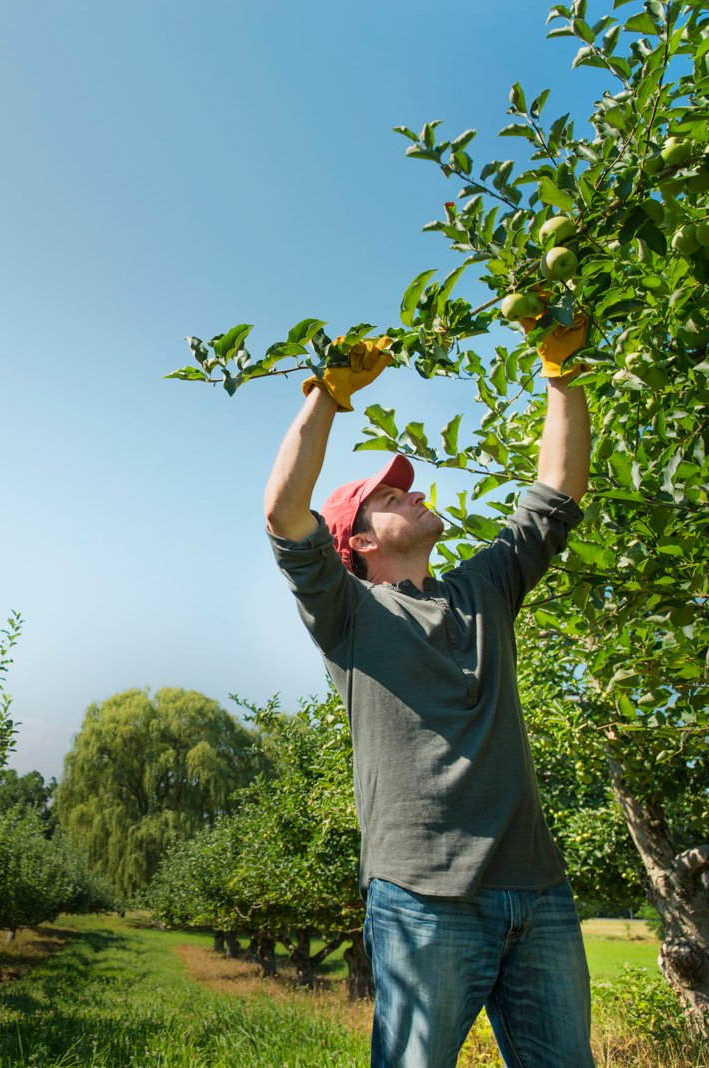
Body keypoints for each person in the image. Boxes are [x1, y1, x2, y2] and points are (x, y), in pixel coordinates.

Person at [262, 316, 594, 1068]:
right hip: (423, 899)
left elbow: (556, 491)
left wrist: (560, 372)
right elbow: (284, 513)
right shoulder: (347, 614)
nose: (410, 496)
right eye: (389, 496)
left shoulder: (482, 589)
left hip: (538, 893)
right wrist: (326, 394)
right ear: (361, 543)